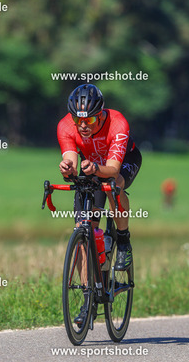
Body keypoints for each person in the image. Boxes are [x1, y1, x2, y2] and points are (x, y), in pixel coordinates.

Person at [57, 84, 142, 325]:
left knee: (115, 183)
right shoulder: (65, 126)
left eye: (90, 120)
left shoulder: (117, 123)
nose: (83, 125)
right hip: (91, 167)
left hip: (123, 162)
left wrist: (96, 168)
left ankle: (123, 239)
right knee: (83, 229)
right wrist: (68, 168)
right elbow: (70, 158)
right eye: (78, 120)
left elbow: (112, 170)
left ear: (101, 114)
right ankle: (88, 299)